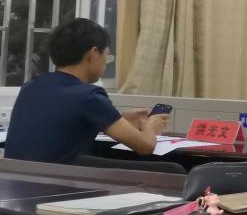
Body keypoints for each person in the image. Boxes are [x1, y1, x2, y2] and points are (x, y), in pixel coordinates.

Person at [5, 18, 171, 163]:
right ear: (94, 53)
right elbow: (145, 146)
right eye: (107, 55)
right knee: (173, 169)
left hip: (17, 181)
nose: (106, 61)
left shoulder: (31, 87)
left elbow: (64, 125)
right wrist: (150, 125)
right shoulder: (89, 96)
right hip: (59, 182)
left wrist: (121, 119)